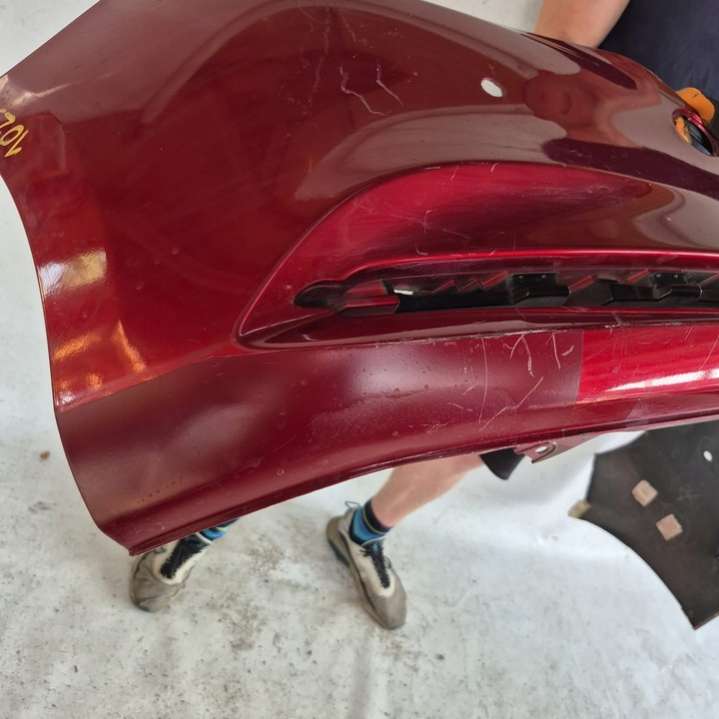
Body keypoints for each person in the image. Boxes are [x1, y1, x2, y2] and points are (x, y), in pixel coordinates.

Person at [130, 0, 719, 629]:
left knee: (489, 432)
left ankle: (364, 532)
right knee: (330, 374)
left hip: (651, 287)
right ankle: (209, 519)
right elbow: (554, 63)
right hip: (547, 212)